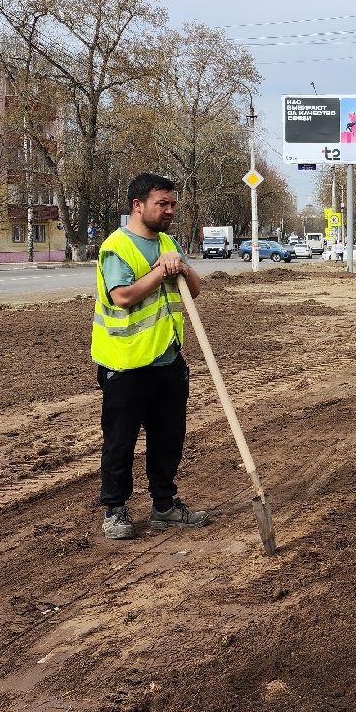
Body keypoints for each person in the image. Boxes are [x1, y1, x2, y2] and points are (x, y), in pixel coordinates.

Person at [91, 173, 208, 540]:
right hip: (125, 363)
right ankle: (115, 509)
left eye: (173, 204)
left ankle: (165, 506)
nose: (170, 210)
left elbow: (196, 289)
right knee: (120, 440)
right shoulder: (117, 246)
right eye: (163, 204)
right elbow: (122, 296)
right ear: (138, 205)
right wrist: (161, 271)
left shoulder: (169, 242)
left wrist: (182, 266)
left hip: (168, 359)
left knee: (168, 438)